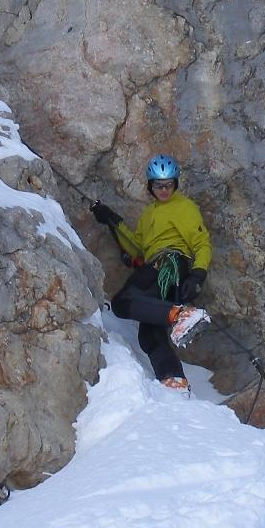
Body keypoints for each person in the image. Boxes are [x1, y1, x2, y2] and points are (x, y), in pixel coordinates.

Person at [90, 153, 212, 392]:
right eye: (158, 185)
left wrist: (198, 275)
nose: (164, 190)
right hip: (157, 265)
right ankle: (173, 379)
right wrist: (112, 221)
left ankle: (181, 315)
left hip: (170, 265)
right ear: (150, 186)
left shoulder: (184, 207)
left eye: (168, 185)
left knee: (123, 302)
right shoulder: (149, 215)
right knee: (149, 334)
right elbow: (138, 246)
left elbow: (201, 243)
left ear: (175, 184)